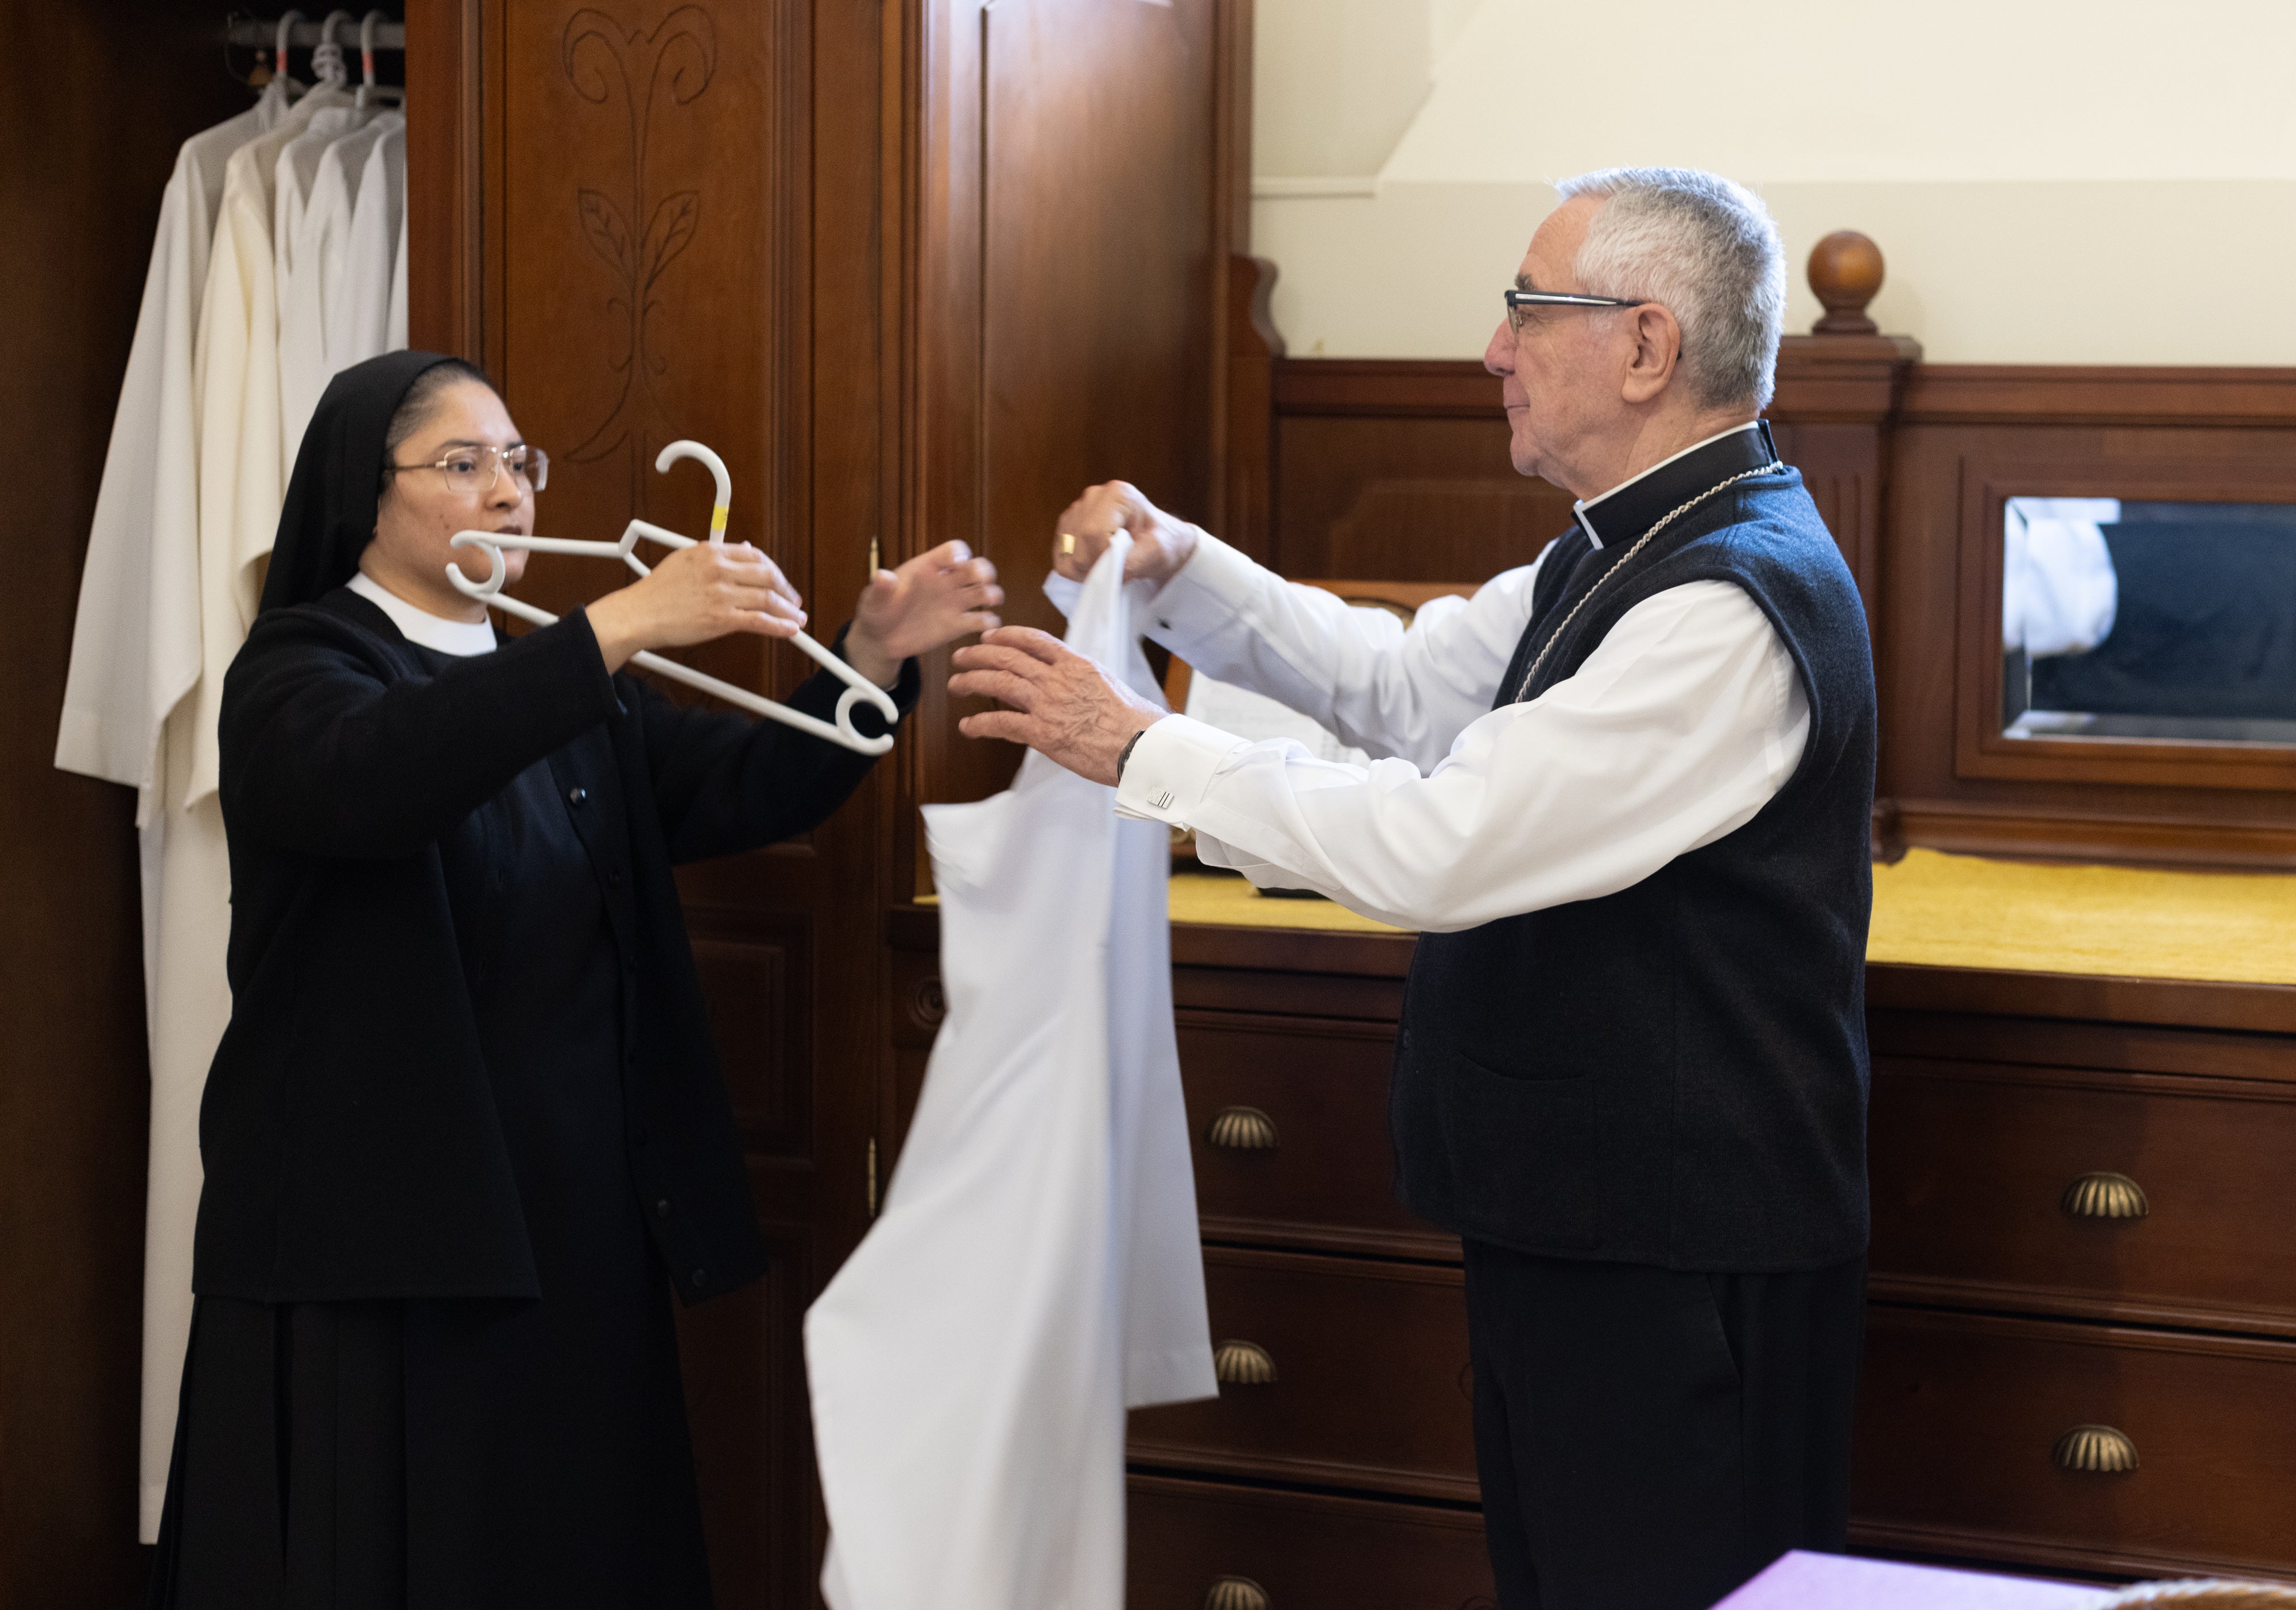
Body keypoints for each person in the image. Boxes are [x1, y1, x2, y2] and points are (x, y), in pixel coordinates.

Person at [951, 168, 1875, 1610]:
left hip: (1679, 1252)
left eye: (1525, 309)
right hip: (1578, 1223)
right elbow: (1394, 683)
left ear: (1643, 345)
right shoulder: (1621, 543)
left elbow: (1446, 842)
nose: (1492, 349)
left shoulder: (1718, 602)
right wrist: (1178, 566)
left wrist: (1138, 746)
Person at [149, 350, 1002, 1608]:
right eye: (462, 463)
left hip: (575, 1214)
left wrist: (868, 654)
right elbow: (383, 773)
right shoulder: (296, 666)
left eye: (518, 461)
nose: (508, 491)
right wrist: (619, 626)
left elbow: (748, 785)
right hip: (383, 1234)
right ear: (362, 493)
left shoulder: (557, 674)